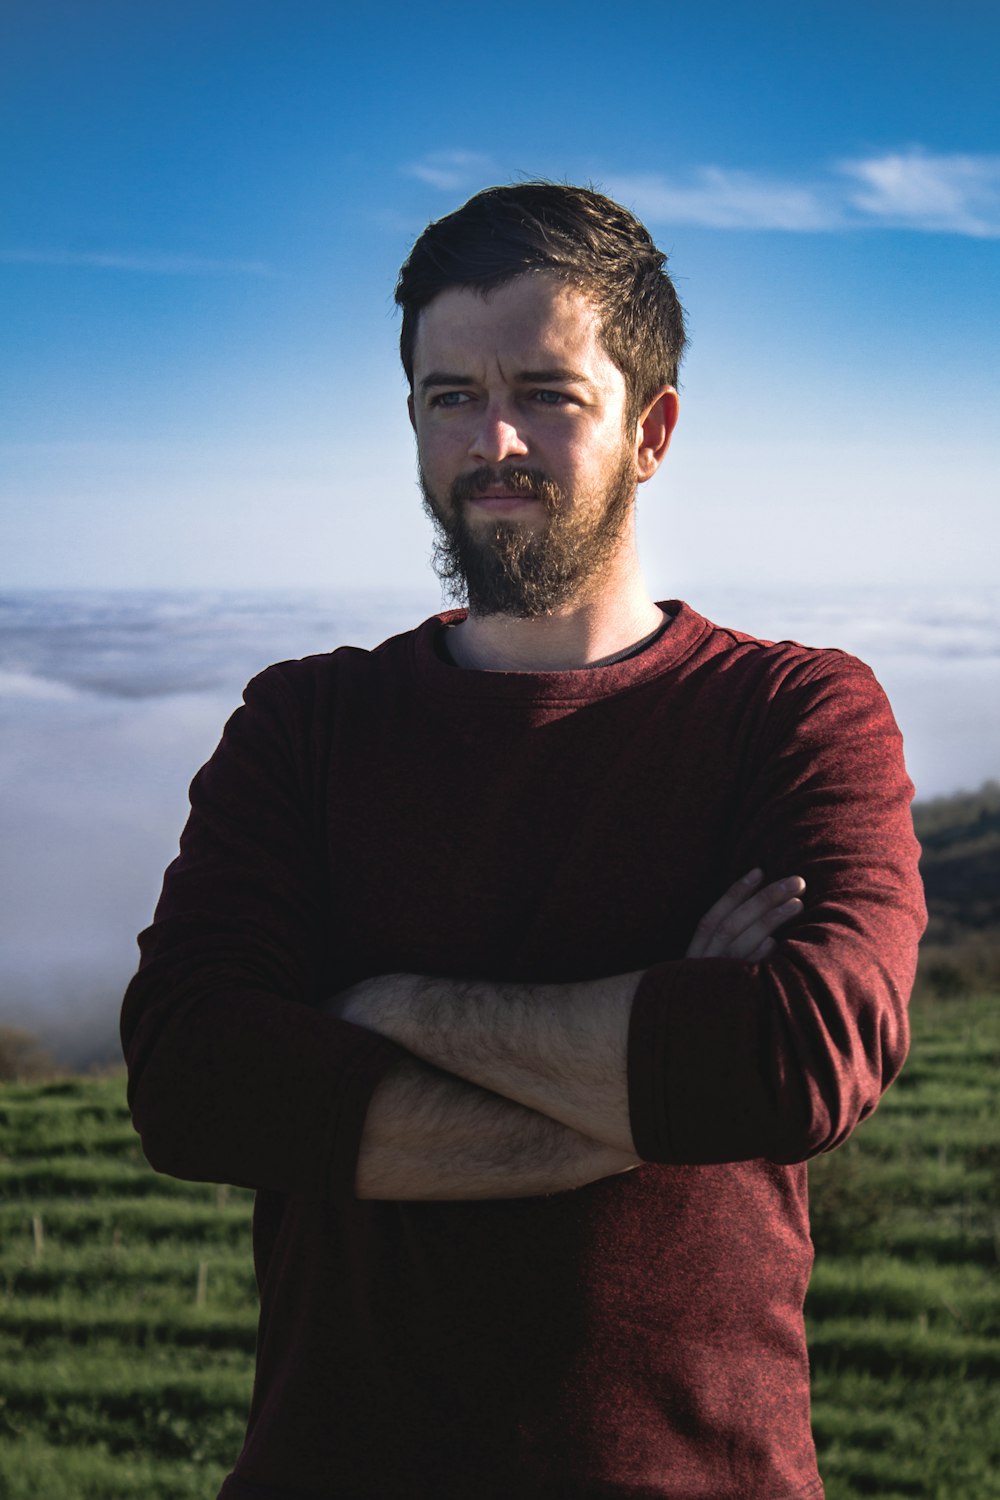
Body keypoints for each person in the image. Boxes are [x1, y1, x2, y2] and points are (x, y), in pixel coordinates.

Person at [121, 183, 926, 1500]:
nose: (493, 441)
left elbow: (799, 1056)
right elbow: (193, 1079)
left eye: (548, 392)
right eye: (450, 397)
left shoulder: (791, 710)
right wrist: (658, 1080)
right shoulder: (305, 723)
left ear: (652, 429)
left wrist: (377, 1006)